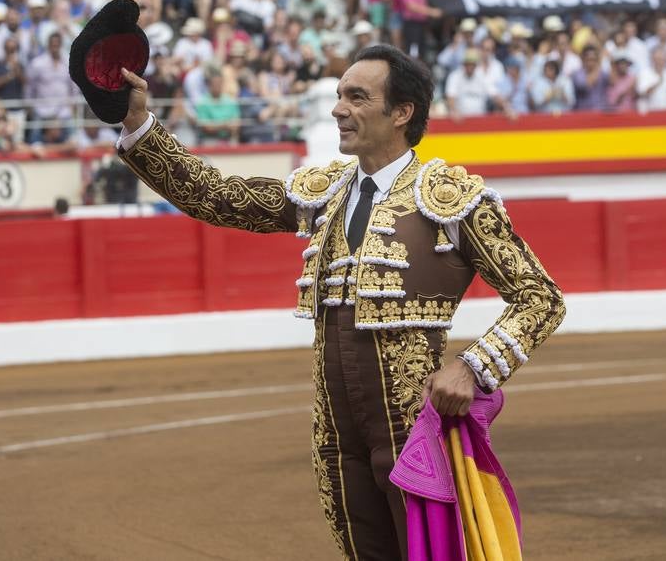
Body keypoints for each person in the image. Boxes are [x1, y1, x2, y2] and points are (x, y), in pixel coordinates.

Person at [112, 43, 564, 560]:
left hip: (414, 427)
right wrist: (141, 124)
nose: (337, 109)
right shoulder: (324, 191)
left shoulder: (449, 198)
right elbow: (219, 196)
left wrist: (472, 366)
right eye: (338, 95)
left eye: (356, 97)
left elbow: (540, 298)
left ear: (401, 113)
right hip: (337, 434)